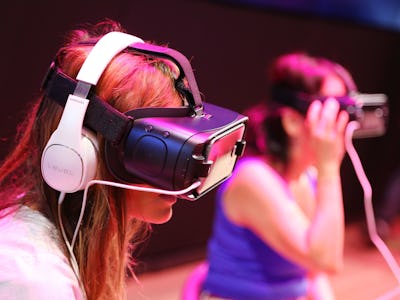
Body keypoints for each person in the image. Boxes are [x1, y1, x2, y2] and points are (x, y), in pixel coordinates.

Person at [0, 19, 223, 300]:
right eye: (157, 148)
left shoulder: (66, 241)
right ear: (82, 152)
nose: (183, 173)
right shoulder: (33, 281)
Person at [201, 52, 355, 299]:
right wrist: (329, 170)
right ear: (292, 122)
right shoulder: (253, 178)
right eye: (331, 108)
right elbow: (326, 259)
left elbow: (315, 274)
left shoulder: (308, 177)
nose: (342, 121)